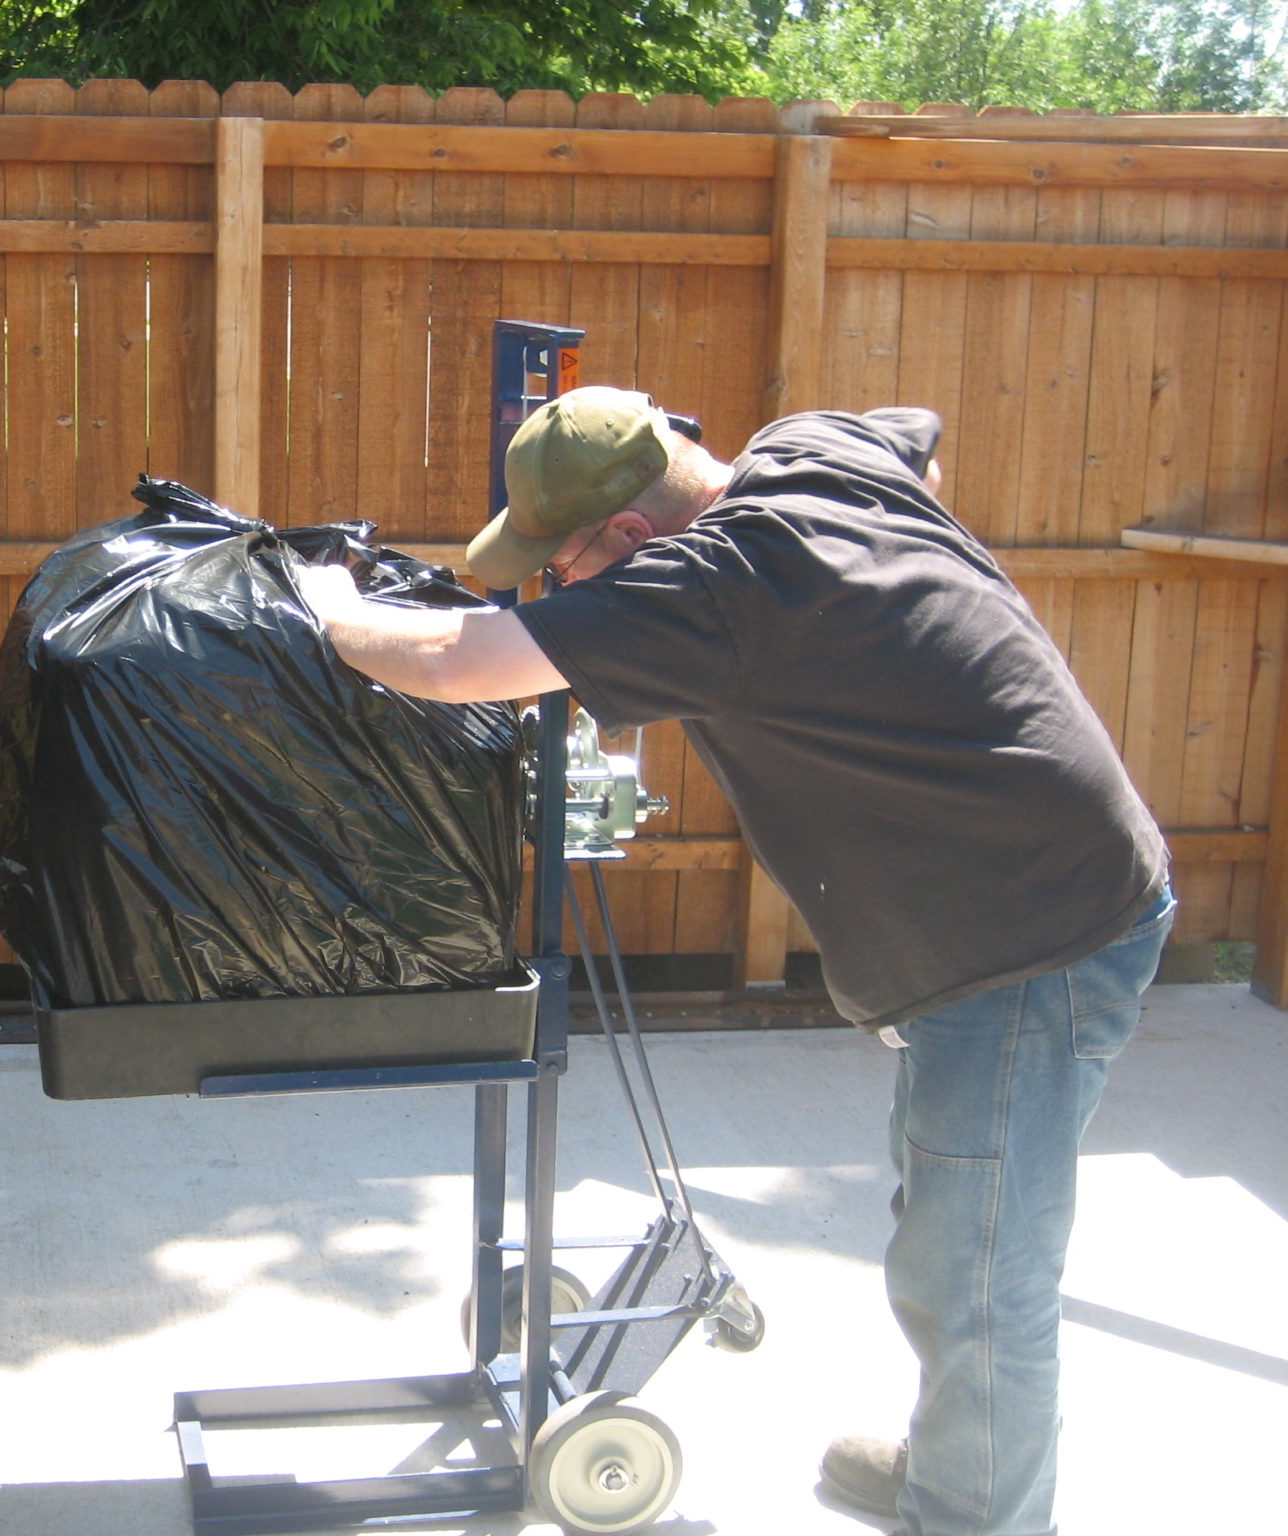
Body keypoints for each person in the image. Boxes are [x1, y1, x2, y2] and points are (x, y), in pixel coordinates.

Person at [294, 387, 1172, 1536]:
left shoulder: (713, 591)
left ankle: (975, 1516)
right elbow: (918, 434)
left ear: (632, 536)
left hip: (1024, 938)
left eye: (560, 568)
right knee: (951, 1216)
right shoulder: (813, 454)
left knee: (974, 1278)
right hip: (1028, 891)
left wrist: (320, 611)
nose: (556, 591)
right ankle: (958, 1465)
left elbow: (466, 661)